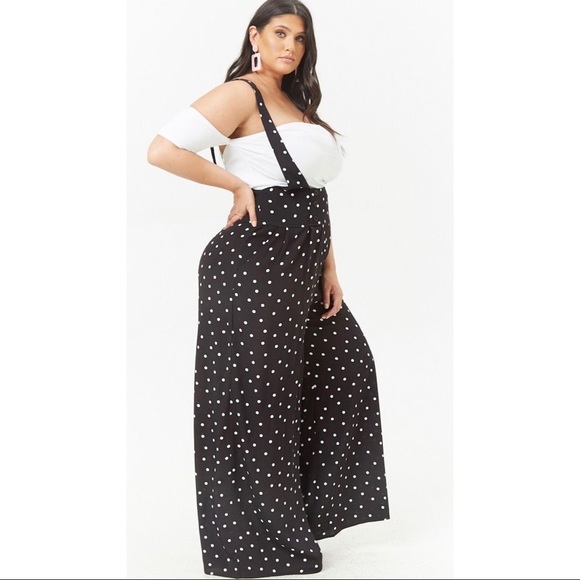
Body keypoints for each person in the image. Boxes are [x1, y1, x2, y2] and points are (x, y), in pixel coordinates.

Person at [147, 0, 390, 577]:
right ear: (254, 36)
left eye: (300, 38)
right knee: (258, 401)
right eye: (281, 33)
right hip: (253, 264)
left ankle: (299, 518)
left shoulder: (298, 104)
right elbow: (162, 150)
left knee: (341, 372)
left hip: (302, 263)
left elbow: (313, 192)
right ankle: (256, 544)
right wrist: (235, 185)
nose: (291, 46)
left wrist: (329, 266)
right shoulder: (242, 93)